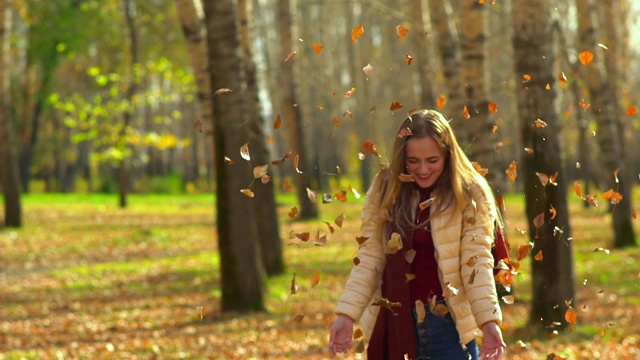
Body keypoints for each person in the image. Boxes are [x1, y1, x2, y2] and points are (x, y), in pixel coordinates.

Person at [328, 109, 506, 359]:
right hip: (396, 324)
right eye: (413, 161)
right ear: (402, 157)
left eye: (432, 160)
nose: (422, 169)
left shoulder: (470, 192)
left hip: (449, 329)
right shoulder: (385, 188)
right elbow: (369, 257)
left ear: (448, 155)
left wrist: (489, 322)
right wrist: (346, 315)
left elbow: (476, 262)